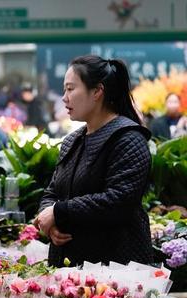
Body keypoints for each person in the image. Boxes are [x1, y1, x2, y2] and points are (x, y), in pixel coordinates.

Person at [35, 55, 153, 267]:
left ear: (97, 91)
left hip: (114, 269)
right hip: (71, 268)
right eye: (64, 90)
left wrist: (59, 212)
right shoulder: (72, 140)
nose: (64, 98)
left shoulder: (128, 138)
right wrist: (51, 222)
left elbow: (119, 200)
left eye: (70, 89)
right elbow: (53, 191)